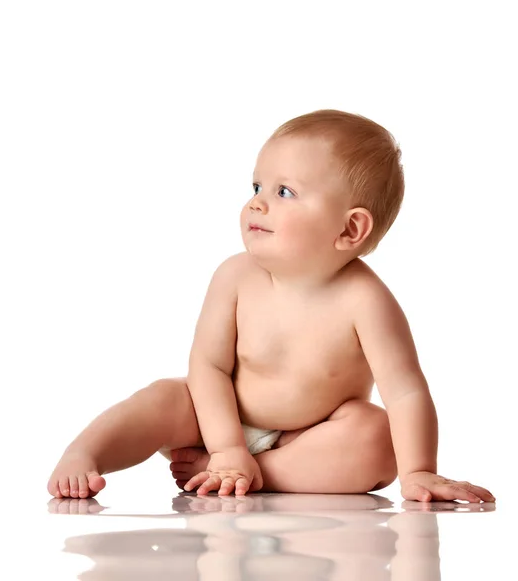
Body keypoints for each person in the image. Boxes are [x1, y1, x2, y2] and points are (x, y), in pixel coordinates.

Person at [47, 109, 496, 503]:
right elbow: (209, 367)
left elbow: (405, 391)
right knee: (165, 397)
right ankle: (87, 453)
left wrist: (418, 470)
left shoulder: (366, 300)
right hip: (214, 418)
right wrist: (226, 447)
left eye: (285, 192)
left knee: (377, 437)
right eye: (257, 185)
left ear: (350, 229)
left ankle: (255, 474)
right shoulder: (236, 276)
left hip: (308, 438)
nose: (256, 202)